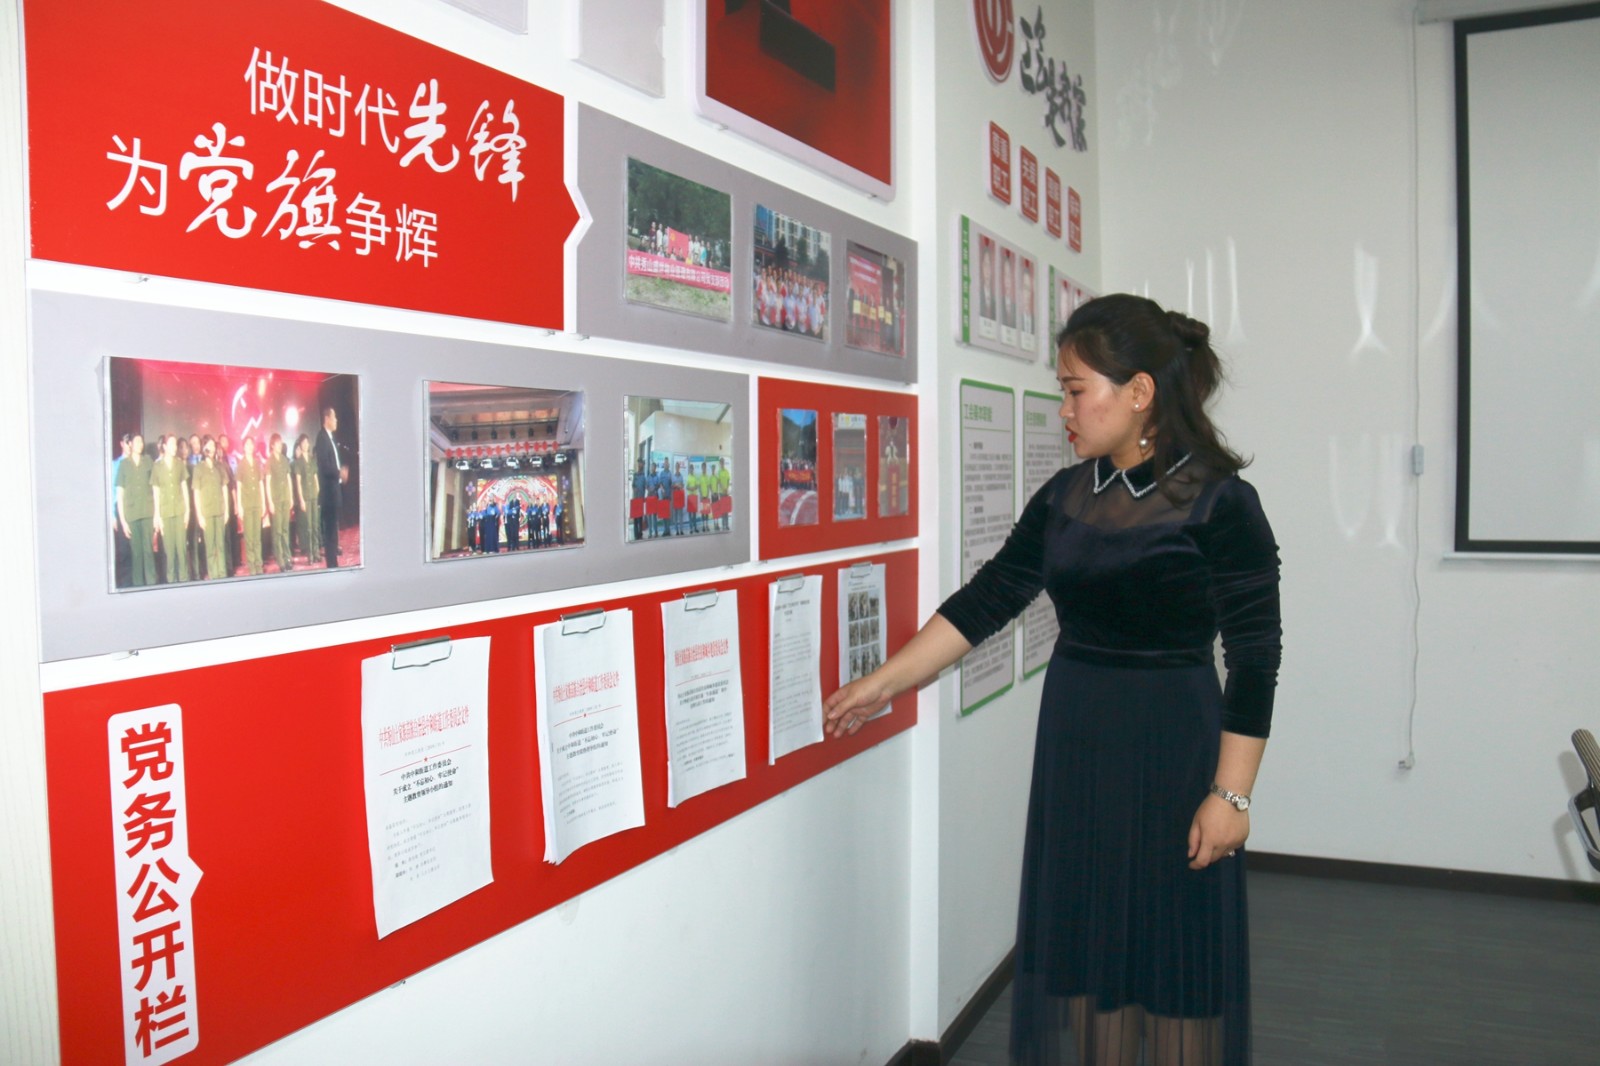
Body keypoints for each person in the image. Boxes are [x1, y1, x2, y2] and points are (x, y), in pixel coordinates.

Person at [824, 295, 1281, 1066]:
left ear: (1139, 392)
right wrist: (885, 682)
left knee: (1172, 950)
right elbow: (990, 598)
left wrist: (1232, 796)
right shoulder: (1066, 496)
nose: (1063, 409)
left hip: (1174, 746)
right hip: (1077, 742)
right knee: (1093, 950)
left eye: (1075, 390)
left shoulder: (1221, 501)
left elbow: (1256, 654)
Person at [114, 432, 156, 587]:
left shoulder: (148, 461)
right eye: (137, 442)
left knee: (148, 551)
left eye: (141, 442)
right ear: (130, 444)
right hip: (132, 515)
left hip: (147, 512)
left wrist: (156, 516)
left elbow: (155, 488)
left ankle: (152, 584)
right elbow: (120, 494)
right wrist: (123, 522)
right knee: (136, 554)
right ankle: (138, 586)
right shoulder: (124, 465)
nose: (140, 444)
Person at [150, 433, 190, 584]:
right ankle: (172, 582)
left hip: (179, 512)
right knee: (169, 553)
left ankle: (184, 581)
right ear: (165, 446)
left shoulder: (180, 464)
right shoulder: (157, 466)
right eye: (171, 444)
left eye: (175, 444)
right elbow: (156, 493)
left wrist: (187, 511)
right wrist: (157, 517)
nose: (175, 447)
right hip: (165, 514)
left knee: (182, 550)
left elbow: (184, 488)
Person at [191, 436, 230, 581]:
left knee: (221, 545)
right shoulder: (198, 468)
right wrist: (199, 516)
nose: (212, 448)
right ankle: (214, 577)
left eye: (214, 445)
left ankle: (222, 575)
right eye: (209, 445)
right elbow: (196, 493)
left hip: (219, 510)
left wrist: (226, 511)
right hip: (206, 512)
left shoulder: (220, 466)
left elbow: (224, 489)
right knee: (210, 547)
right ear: (204, 448)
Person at [314, 406, 347, 569]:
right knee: (329, 531)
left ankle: (334, 562)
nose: (336, 420)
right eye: (334, 417)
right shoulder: (321, 439)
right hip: (328, 493)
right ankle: (331, 564)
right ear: (327, 419)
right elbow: (325, 466)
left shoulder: (331, 438)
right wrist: (339, 472)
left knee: (334, 530)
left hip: (334, 490)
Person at [235, 436, 267, 576]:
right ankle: (252, 565)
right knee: (249, 537)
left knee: (257, 536)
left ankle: (259, 564)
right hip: (247, 505)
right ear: (243, 447)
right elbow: (239, 486)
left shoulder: (257, 463)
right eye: (247, 444)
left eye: (251, 444)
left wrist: (264, 503)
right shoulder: (241, 465)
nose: (249, 446)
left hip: (257, 503)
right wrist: (240, 507)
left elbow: (261, 484)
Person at [266, 433, 294, 572]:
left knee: (285, 529)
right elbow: (267, 482)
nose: (279, 445)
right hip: (276, 500)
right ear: (272, 445)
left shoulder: (284, 460)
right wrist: (270, 502)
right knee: (277, 531)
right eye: (277, 443)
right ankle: (281, 560)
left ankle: (288, 558)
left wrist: (291, 497)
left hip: (285, 498)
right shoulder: (269, 461)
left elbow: (288, 479)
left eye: (280, 443)